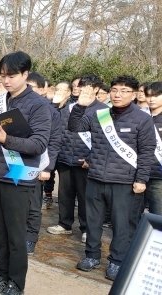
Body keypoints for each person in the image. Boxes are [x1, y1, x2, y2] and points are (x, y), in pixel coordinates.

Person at [0, 51, 52, 295]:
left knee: (16, 236)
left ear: (25, 74)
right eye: (2, 76)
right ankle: (1, 277)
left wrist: (7, 139)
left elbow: (38, 144)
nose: (6, 81)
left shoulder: (38, 105)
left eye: (12, 75)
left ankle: (16, 284)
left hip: (18, 178)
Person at [69, 75, 156, 281]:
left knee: (121, 224)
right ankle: (91, 256)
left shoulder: (142, 119)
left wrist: (141, 180)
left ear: (134, 94)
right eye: (115, 89)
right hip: (96, 178)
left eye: (124, 91)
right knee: (93, 221)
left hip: (124, 182)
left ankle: (117, 261)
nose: (118, 94)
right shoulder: (100, 114)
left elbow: (146, 152)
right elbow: (75, 127)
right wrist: (80, 107)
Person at [47, 75, 108, 245]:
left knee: (85, 197)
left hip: (86, 162)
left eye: (87, 86)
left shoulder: (103, 110)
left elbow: (104, 140)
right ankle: (64, 224)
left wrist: (91, 158)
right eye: (80, 86)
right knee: (65, 195)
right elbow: (60, 131)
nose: (82, 89)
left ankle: (86, 228)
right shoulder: (70, 107)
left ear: (96, 89)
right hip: (66, 158)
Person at [25, 72, 63, 256]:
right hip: (15, 161)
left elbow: (54, 141)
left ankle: (30, 238)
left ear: (42, 90)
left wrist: (47, 168)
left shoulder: (50, 111)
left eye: (31, 87)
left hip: (38, 163)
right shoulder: (14, 104)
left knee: (33, 205)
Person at [143, 81, 162, 215]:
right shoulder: (139, 116)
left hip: (158, 176)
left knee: (158, 214)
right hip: (137, 173)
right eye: (148, 96)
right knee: (132, 214)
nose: (151, 99)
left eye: (156, 95)